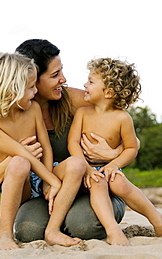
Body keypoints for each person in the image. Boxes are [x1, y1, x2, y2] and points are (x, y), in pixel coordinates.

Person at [12, 39, 127, 242]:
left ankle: (76, 221)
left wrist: (115, 154)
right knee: (28, 232)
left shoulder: (76, 100)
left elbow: (124, 127)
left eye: (61, 71)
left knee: (85, 227)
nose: (63, 79)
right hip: (45, 194)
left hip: (92, 187)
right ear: (32, 79)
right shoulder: (14, 115)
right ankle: (58, 225)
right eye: (55, 75)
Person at [0, 52, 79, 250]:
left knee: (76, 164)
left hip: (43, 172)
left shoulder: (32, 109)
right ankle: (5, 233)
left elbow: (46, 148)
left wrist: (50, 181)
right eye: (31, 88)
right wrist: (51, 179)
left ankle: (53, 229)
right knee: (19, 162)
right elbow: (23, 156)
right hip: (20, 182)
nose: (35, 93)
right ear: (11, 92)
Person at [68, 58, 162, 245]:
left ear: (108, 92)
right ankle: (112, 231)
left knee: (119, 184)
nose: (85, 84)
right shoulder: (82, 113)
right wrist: (85, 167)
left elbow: (132, 148)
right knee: (97, 183)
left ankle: (157, 219)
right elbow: (72, 142)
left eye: (91, 82)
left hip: (109, 167)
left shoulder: (123, 118)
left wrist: (114, 164)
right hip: (83, 168)